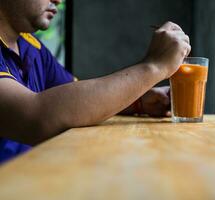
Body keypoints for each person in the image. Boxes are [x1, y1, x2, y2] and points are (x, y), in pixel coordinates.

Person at [0, 0, 191, 163]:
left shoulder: (30, 44)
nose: (58, 0)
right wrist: (154, 67)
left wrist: (138, 102)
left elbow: (71, 99)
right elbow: (36, 117)